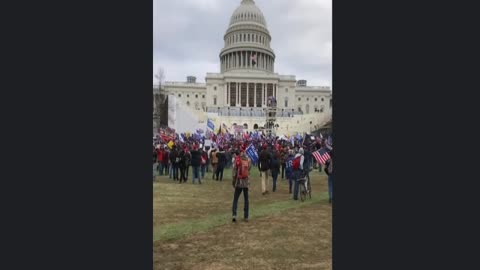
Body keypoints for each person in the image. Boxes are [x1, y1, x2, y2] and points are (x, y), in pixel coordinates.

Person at [232, 148, 252, 222]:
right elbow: (249, 169)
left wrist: (233, 181)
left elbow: (234, 171)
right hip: (246, 182)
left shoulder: (237, 160)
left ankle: (234, 214)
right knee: (246, 199)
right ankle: (246, 216)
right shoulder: (248, 160)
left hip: (239, 181)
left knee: (235, 199)